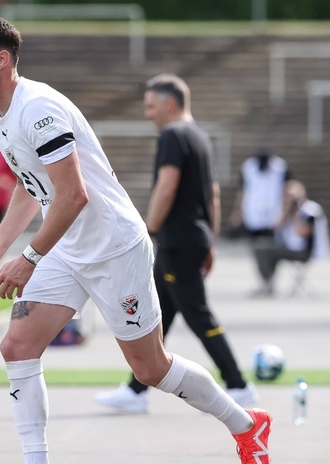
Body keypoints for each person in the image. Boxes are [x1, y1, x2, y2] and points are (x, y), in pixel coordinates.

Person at [0, 17, 272, 464]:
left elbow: (74, 194)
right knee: (16, 344)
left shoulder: (38, 110)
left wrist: (28, 258)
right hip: (68, 247)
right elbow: (29, 184)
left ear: (2, 60)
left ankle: (245, 425)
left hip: (113, 249)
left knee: (150, 369)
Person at [95, 75, 258, 414]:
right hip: (193, 237)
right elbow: (213, 194)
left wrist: (149, 231)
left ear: (170, 104)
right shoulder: (199, 136)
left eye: (151, 106)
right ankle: (136, 389)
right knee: (161, 315)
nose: (147, 114)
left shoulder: (172, 135)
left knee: (196, 312)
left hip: (177, 239)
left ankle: (238, 384)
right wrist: (209, 241)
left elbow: (166, 186)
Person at [229, 150, 292, 296]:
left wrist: (283, 214)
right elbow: (242, 191)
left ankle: (270, 280)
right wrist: (237, 211)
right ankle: (263, 280)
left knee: (271, 252)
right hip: (253, 216)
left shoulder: (280, 167)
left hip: (273, 218)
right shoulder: (248, 167)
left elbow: (286, 190)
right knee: (257, 252)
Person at [253, 179, 329, 293]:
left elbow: (303, 233)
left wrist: (295, 215)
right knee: (262, 246)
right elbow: (275, 227)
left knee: (265, 250)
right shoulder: (286, 209)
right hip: (289, 247)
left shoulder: (309, 210)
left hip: (303, 251)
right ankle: (268, 281)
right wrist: (287, 212)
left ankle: (267, 283)